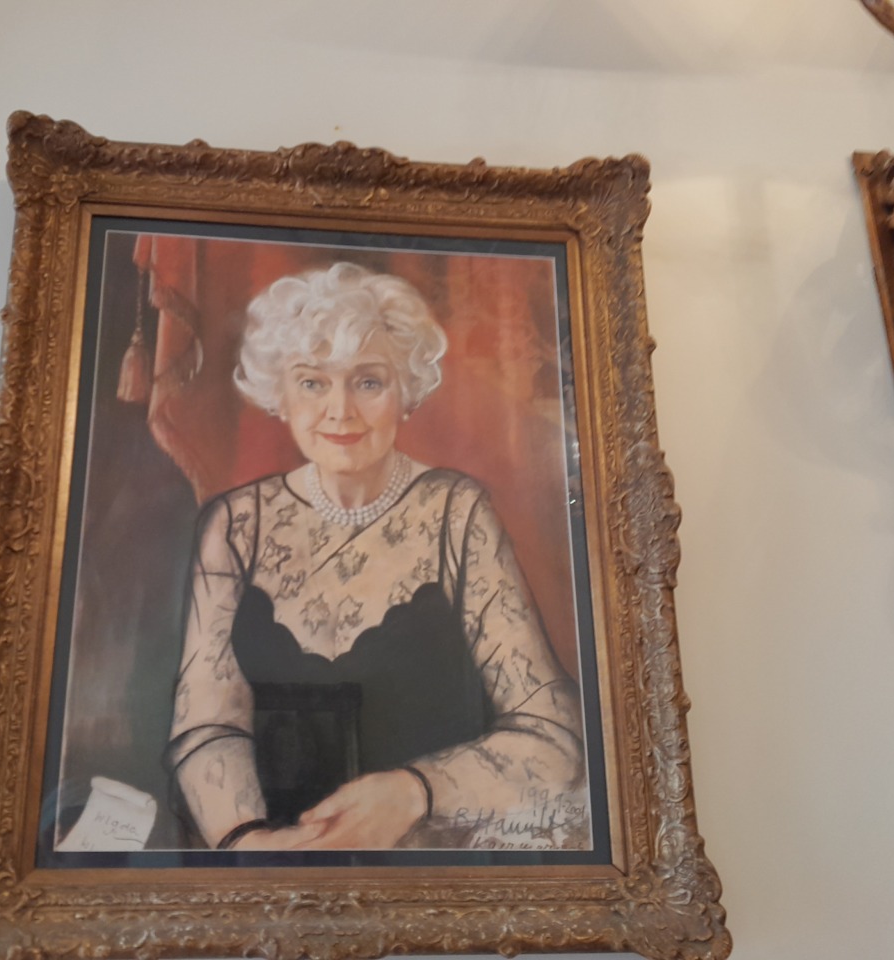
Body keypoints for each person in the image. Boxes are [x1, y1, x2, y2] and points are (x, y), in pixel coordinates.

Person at [165, 261, 590, 851]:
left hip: (431, 861)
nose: (340, 410)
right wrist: (247, 841)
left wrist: (417, 791)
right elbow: (205, 725)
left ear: (406, 394)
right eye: (312, 383)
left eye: (368, 382)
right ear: (279, 397)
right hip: (276, 867)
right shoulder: (236, 525)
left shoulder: (456, 513)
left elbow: (553, 735)